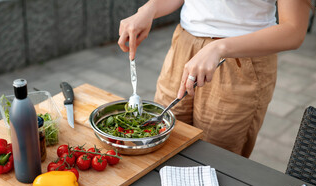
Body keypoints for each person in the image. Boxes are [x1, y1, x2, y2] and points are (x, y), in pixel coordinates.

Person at [118, 0, 311, 158]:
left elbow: (293, 30)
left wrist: (218, 48)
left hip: (239, 59)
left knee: (216, 158)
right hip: (183, 47)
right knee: (161, 142)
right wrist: (149, 8)